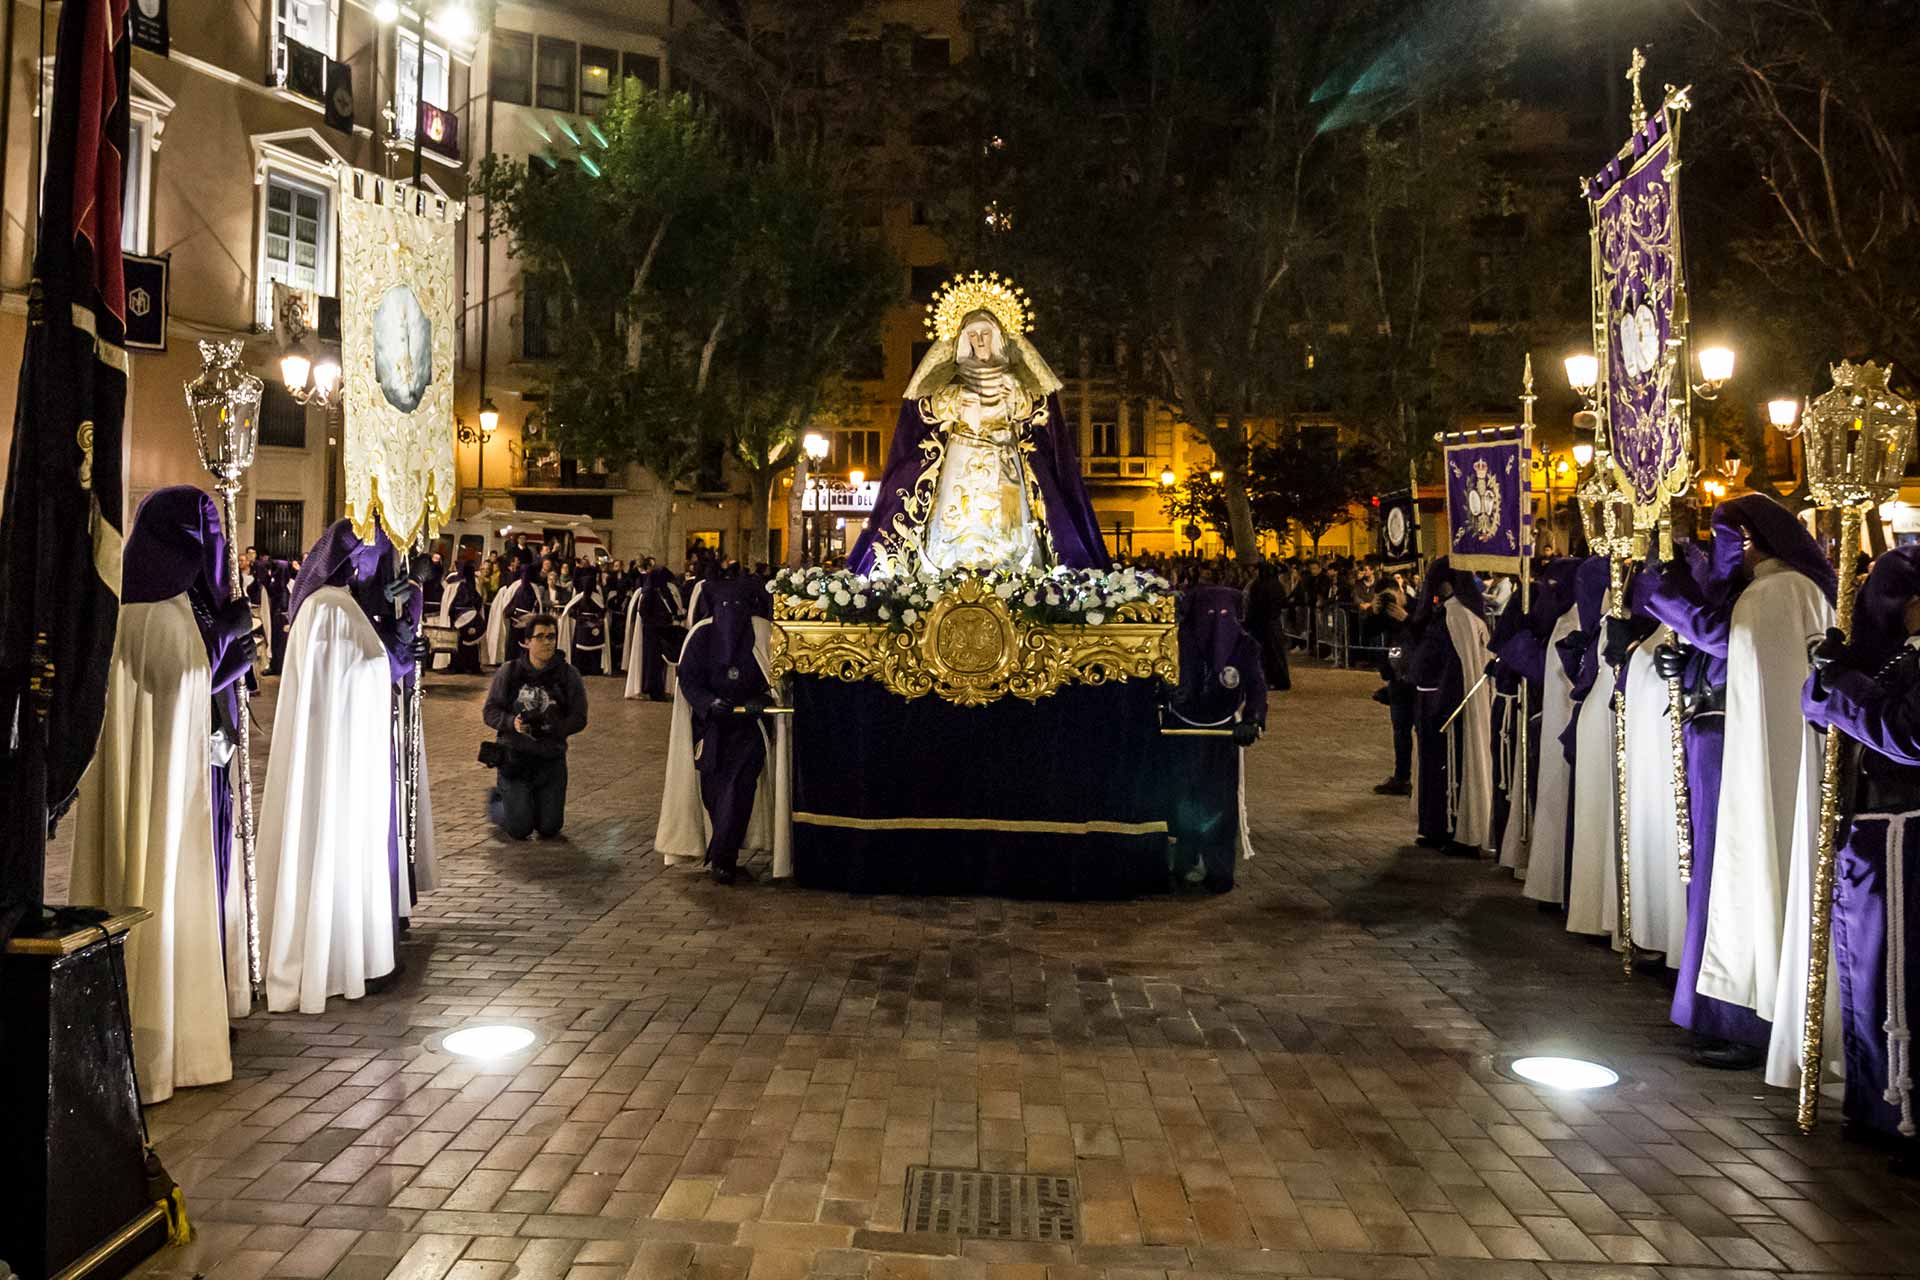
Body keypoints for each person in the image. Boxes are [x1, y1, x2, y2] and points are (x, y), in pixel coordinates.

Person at [70, 487, 255, 1101]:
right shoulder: (165, 613)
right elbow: (183, 690)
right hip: (170, 794)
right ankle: (166, 1038)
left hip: (148, 783)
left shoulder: (128, 601)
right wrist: (227, 649)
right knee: (166, 889)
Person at [257, 520, 430, 1014]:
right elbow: (359, 673)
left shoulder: (337, 606)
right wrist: (395, 650)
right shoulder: (330, 609)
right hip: (336, 756)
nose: (366, 568)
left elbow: (368, 664)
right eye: (360, 560)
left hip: (347, 750)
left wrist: (402, 636)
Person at [1693, 496, 1835, 1089]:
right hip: (1779, 761)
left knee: (1764, 868)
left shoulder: (1772, 595)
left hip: (1769, 766)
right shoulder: (1798, 590)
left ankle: (1765, 1017)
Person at [848, 287, 1108, 576]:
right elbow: (923, 407)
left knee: (1008, 520)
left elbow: (1039, 412)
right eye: (973, 335)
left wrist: (1015, 399)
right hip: (962, 453)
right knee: (956, 515)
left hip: (1003, 454)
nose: (979, 340)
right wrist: (956, 402)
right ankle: (949, 569)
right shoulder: (951, 375)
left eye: (985, 334)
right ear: (963, 339)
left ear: (997, 337)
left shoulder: (1015, 376)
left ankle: (1012, 573)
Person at [1642, 527, 1772, 1066]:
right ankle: (1709, 1008)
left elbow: (1729, 640)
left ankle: (1740, 1019)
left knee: (1732, 877)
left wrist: (1669, 600)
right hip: (1712, 742)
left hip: (1740, 750)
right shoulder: (1742, 595)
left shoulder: (1775, 593)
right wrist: (1682, 665)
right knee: (1706, 879)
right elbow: (1715, 647)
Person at [1803, 545, 1920, 1142]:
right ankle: (1877, 1103)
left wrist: (1843, 681)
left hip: (1907, 834)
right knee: (1870, 978)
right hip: (1874, 835)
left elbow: (1908, 734)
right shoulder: (1894, 654)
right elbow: (1821, 709)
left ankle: (1904, 1113)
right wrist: (1829, 675)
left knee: (1902, 982)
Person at [657, 579, 792, 883]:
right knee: (715, 792)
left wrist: (763, 699)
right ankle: (722, 853)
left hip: (749, 730)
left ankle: (722, 859)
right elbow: (688, 680)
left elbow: (778, 679)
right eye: (724, 607)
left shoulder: (761, 633)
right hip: (711, 729)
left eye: (738, 607)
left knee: (739, 788)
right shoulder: (701, 635)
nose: (731, 614)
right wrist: (708, 703)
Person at [1162, 585, 1266, 892]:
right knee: (1182, 797)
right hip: (1181, 731)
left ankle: (1220, 868)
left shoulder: (1245, 647)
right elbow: (1161, 677)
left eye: (1224, 615)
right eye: (1209, 614)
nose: (1217, 622)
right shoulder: (1177, 643)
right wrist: (1169, 693)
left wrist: (1253, 721)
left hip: (1221, 735)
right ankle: (1183, 860)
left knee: (1220, 801)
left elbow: (1257, 688)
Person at [1408, 558, 1494, 856]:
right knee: (1435, 769)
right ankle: (1436, 827)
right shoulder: (1451, 612)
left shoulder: (1457, 615)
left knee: (1453, 769)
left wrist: (1443, 706)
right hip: (1435, 702)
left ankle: (1458, 830)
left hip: (1449, 707)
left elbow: (1457, 666)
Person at [483, 614, 588, 839]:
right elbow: (490, 711)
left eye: (551, 636)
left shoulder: (568, 675)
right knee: (520, 829)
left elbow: (580, 717)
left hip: (551, 762)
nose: (547, 642)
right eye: (540, 637)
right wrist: (513, 723)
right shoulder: (509, 672)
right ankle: (500, 801)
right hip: (515, 760)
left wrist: (554, 727)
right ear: (526, 642)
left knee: (549, 828)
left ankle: (528, 803)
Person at [629, 565, 683, 700]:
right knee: (653, 663)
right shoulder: (649, 592)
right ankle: (654, 690)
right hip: (652, 632)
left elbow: (672, 607)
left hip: (663, 630)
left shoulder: (664, 590)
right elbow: (643, 612)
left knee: (661, 663)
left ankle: (661, 689)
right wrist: (657, 622)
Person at [484, 554, 546, 666]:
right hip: (515, 622)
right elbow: (508, 604)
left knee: (527, 647)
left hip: (529, 624)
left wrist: (533, 616)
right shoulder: (515, 586)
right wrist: (512, 613)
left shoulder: (534, 588)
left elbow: (537, 605)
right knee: (513, 647)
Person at [433, 559, 486, 674]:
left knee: (458, 644)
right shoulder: (473, 585)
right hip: (471, 619)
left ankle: (458, 666)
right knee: (471, 645)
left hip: (458, 620)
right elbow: (478, 602)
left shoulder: (455, 586)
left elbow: (451, 604)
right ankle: (471, 666)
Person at [557, 565, 609, 676]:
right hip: (583, 626)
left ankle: (592, 669)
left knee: (592, 649)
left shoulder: (596, 597)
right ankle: (583, 668)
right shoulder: (582, 597)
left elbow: (602, 610)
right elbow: (571, 609)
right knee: (582, 649)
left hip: (592, 627)